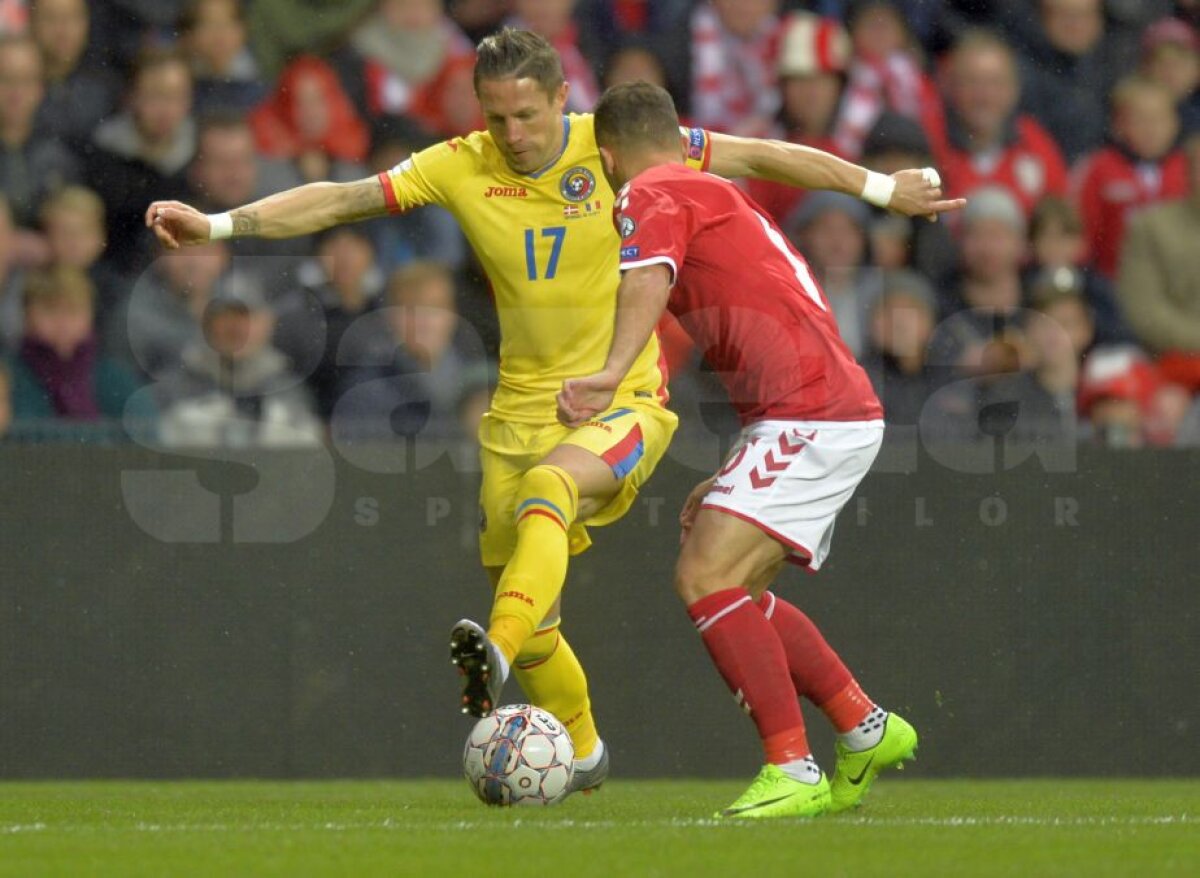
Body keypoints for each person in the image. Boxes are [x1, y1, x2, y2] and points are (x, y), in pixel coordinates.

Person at [144, 27, 955, 797]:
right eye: (497, 117)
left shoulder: (612, 147)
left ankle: (491, 652)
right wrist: (217, 224)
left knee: (555, 491)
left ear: (562, 98)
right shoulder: (459, 164)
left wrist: (882, 187)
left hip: (625, 398)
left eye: (528, 114)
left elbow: (766, 154)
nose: (515, 132)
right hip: (519, 409)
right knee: (542, 624)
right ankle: (584, 747)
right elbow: (340, 201)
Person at [556, 82, 958, 819]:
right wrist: (877, 187)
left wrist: (612, 372)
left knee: (705, 573)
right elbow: (773, 152)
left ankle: (791, 767)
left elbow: (648, 275)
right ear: (678, 134)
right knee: (731, 581)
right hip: (811, 408)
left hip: (810, 410)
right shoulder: (697, 175)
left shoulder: (650, 188)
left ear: (608, 157)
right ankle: (862, 726)